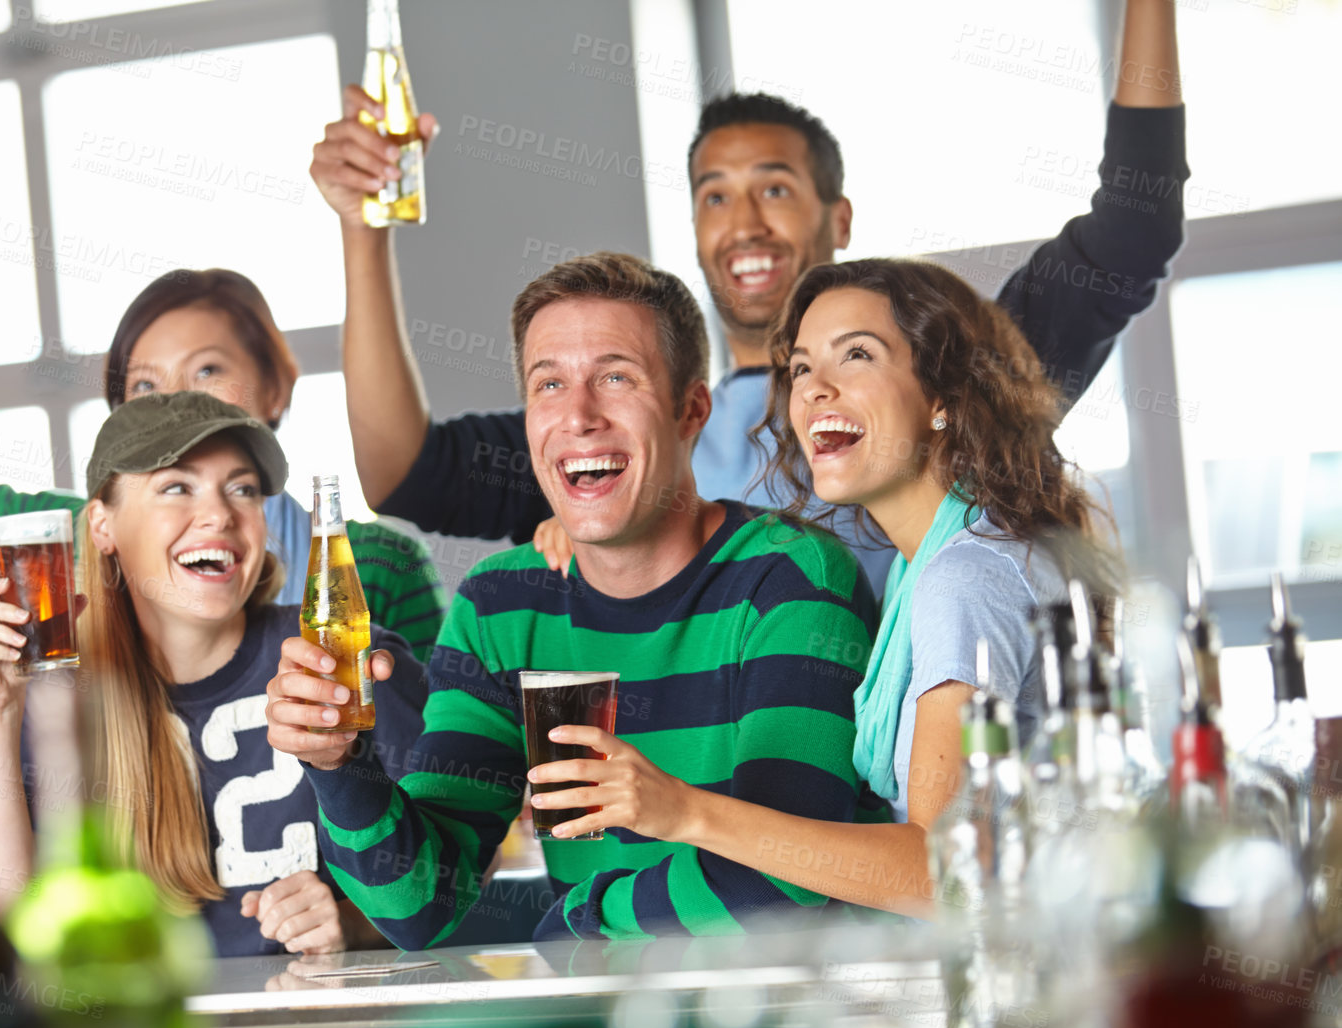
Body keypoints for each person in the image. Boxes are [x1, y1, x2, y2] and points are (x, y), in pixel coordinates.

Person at [314, 0, 1184, 594]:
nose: (744, 224)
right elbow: (407, 473)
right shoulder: (630, 421)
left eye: (775, 189)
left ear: (837, 218)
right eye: (714, 196)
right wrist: (363, 230)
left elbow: (1134, 223)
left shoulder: (939, 377)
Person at [265, 253, 875, 947]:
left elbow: (785, 884)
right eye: (548, 384)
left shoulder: (789, 580)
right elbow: (419, 908)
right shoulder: (503, 605)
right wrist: (341, 765)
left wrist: (581, 918)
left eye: (616, 377)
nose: (578, 416)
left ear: (690, 409)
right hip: (615, 1019)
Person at [545, 258, 1116, 919]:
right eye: (803, 368)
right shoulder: (938, 561)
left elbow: (946, 876)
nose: (816, 389)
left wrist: (684, 813)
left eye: (857, 357)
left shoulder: (965, 581)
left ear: (943, 400)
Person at [0, 202, 448, 661]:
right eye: (143, 387)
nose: (175, 408)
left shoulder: (379, 569)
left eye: (206, 373)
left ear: (276, 386)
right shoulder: (64, 548)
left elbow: (438, 781)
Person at [0, 391, 427, 955]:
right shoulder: (57, 698)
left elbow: (469, 864)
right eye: (176, 486)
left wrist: (354, 922)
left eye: (242, 489)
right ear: (103, 526)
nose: (220, 514)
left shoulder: (342, 661)